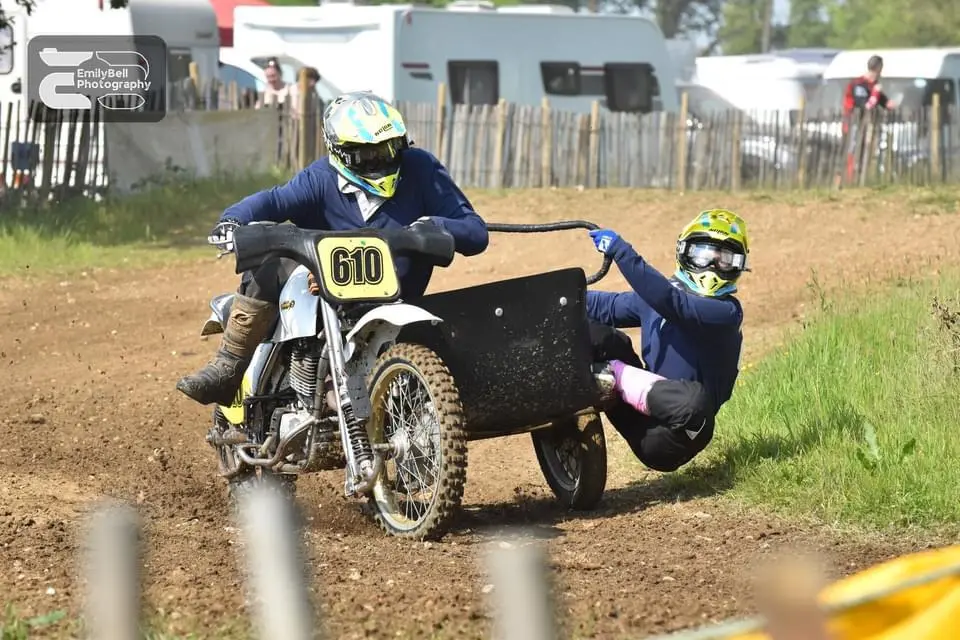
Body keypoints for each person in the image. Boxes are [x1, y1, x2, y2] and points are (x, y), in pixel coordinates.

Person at [176, 91, 489, 406]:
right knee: (271, 258)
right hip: (326, 298)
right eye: (366, 155)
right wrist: (232, 221)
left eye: (390, 149)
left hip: (396, 307)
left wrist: (430, 227)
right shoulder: (320, 178)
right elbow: (273, 200)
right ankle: (227, 368)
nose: (381, 161)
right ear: (339, 152)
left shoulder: (421, 169)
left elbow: (475, 231)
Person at [585, 208, 750, 472]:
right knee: (598, 333)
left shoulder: (727, 312)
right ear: (685, 252)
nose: (712, 266)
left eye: (725, 259)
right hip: (637, 414)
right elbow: (606, 306)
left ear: (738, 266)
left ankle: (609, 375)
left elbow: (675, 305)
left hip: (676, 435)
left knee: (695, 400)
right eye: (703, 254)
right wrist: (555, 295)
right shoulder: (662, 297)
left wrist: (621, 251)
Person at [842, 55, 896, 182]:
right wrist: (876, 93)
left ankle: (862, 177)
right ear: (877, 68)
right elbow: (865, 106)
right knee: (854, 149)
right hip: (854, 123)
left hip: (868, 124)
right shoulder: (859, 84)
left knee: (866, 151)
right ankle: (850, 178)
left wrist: (889, 103)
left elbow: (884, 102)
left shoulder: (873, 85)